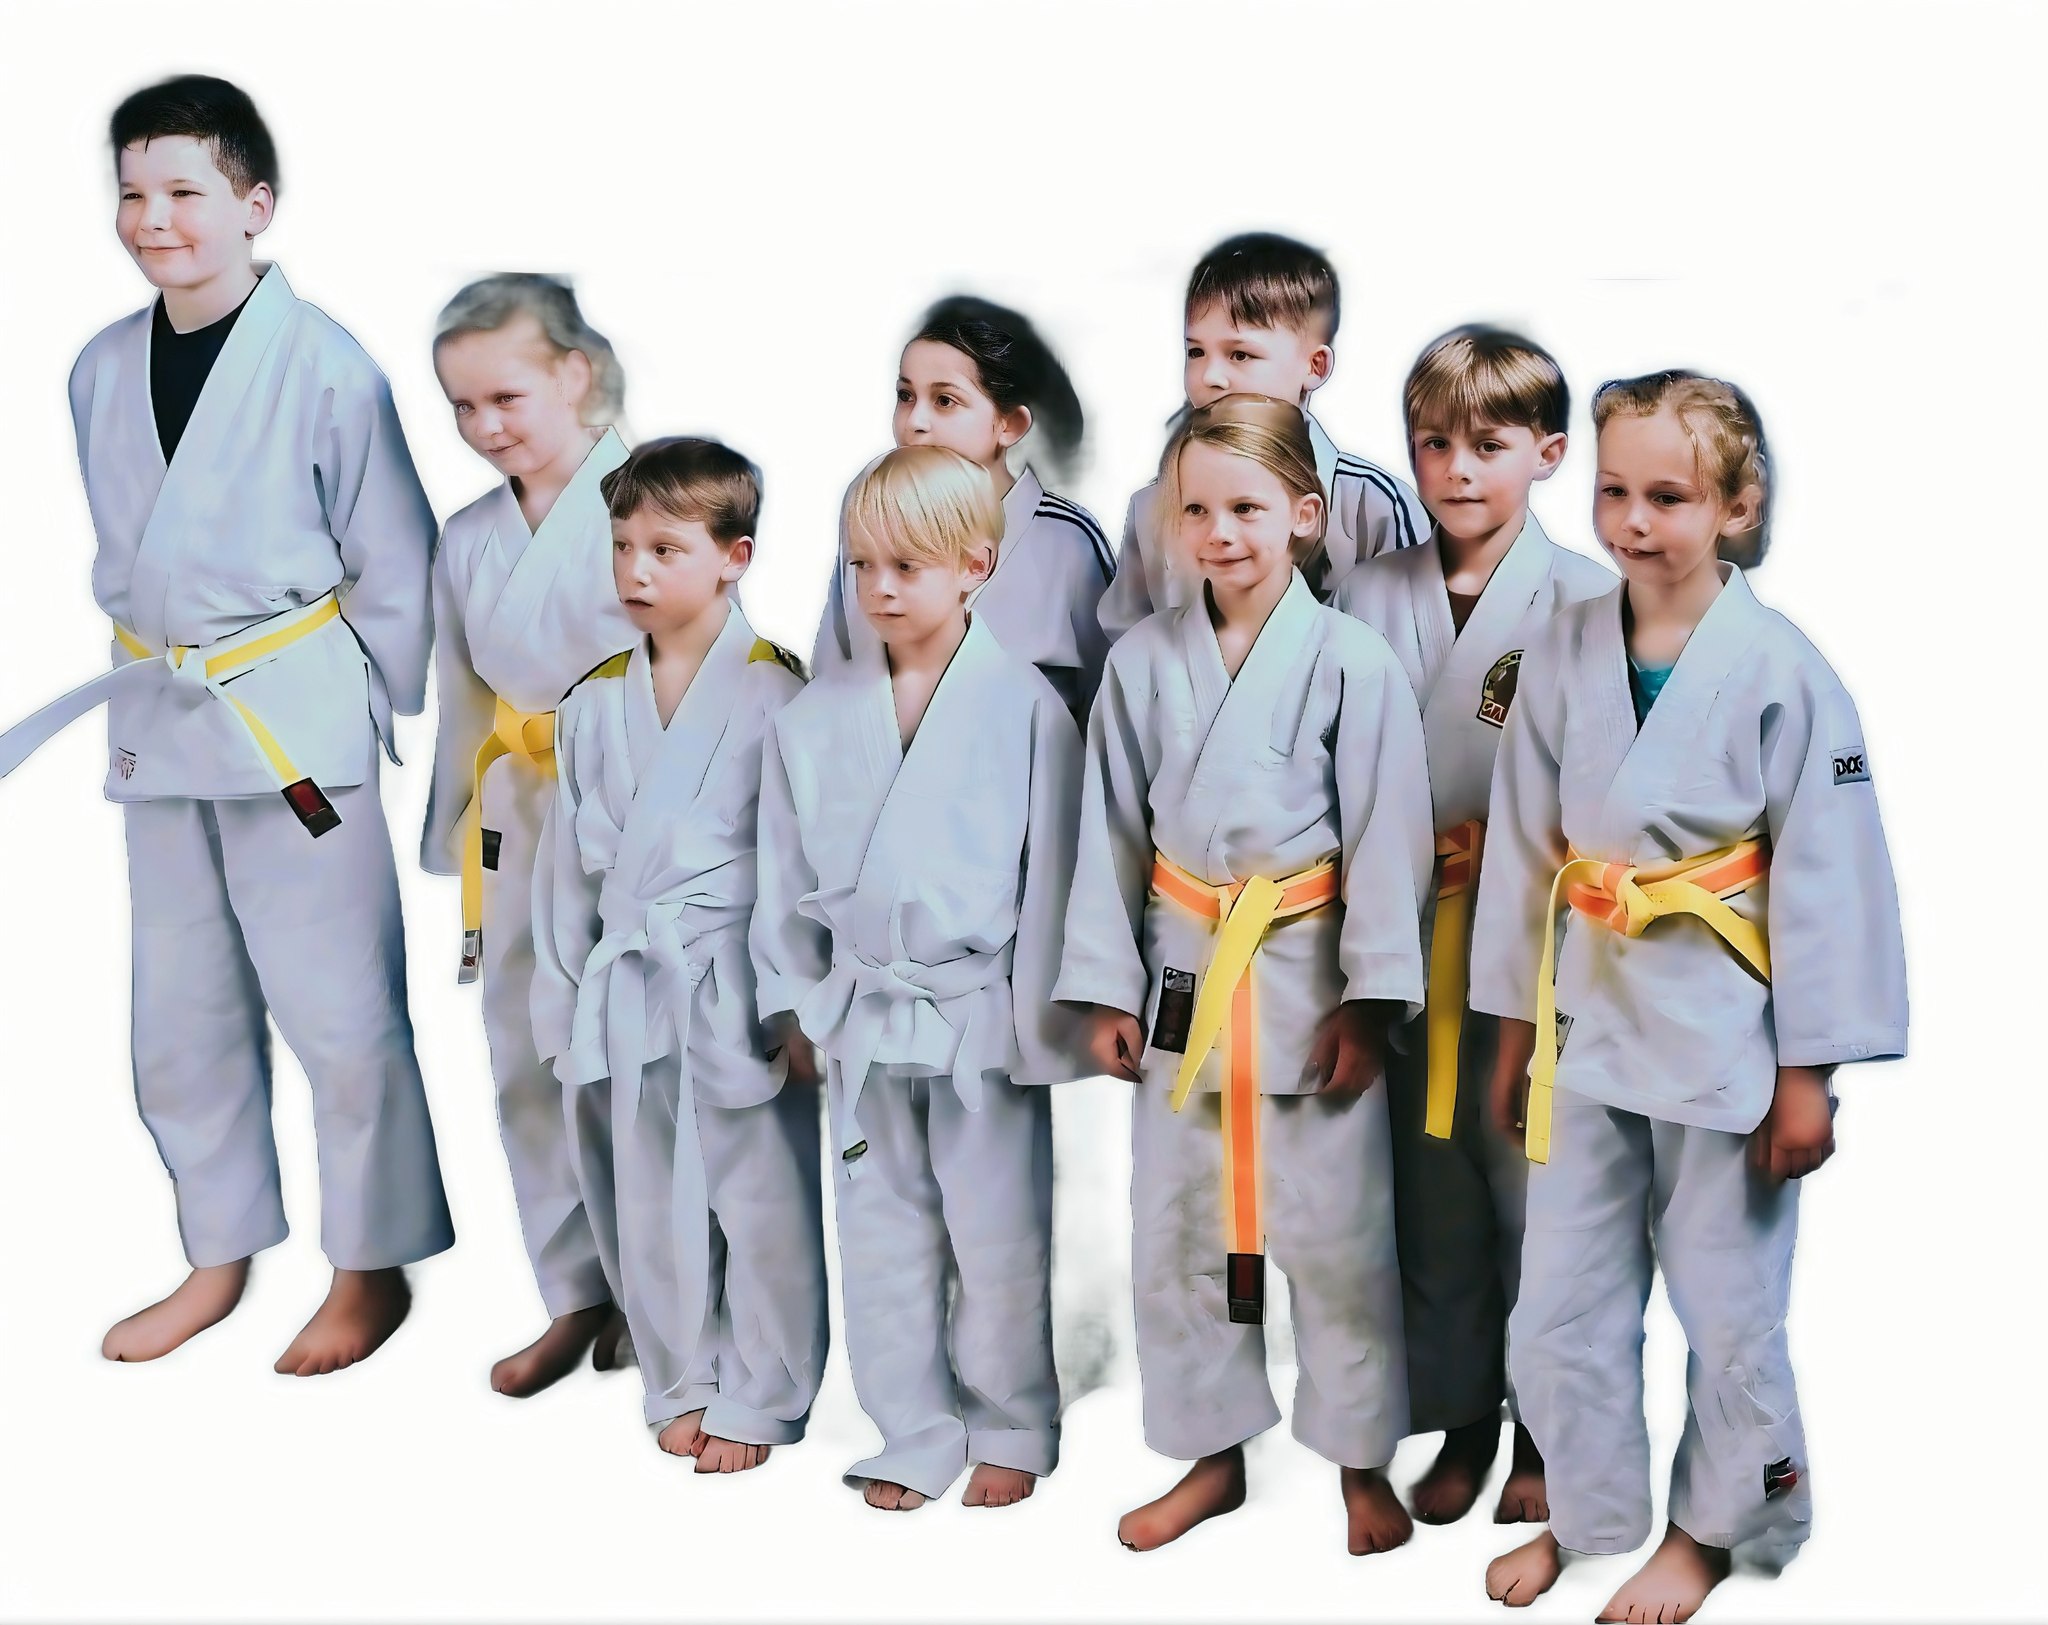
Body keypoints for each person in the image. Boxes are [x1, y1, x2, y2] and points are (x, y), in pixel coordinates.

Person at [0, 74, 452, 1373]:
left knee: (341, 1010)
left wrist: (367, 706)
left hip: (289, 723)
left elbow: (395, 560)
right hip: (158, 716)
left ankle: (369, 1267)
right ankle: (217, 1252)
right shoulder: (98, 366)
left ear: (256, 203)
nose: (155, 218)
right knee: (180, 1010)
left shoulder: (327, 365)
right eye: (133, 193)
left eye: (185, 191)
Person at [1471, 372, 1908, 1620]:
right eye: (1612, 489)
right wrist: (1509, 1034)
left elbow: (1827, 879)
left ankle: (1718, 1526)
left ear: (1734, 506)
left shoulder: (1781, 668)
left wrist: (1807, 1075)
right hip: (1583, 1019)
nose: (1631, 519)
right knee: (1558, 1299)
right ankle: (1587, 1507)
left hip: (1725, 1031)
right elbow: (1523, 851)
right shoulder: (1561, 646)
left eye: (1667, 496)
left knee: (1725, 1303)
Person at [1057, 394, 1434, 1554]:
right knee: (1179, 1233)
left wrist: (1370, 1001)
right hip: (1182, 971)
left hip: (1307, 980)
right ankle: (1209, 1453)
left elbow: (1387, 838)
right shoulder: (1141, 663)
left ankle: (1359, 1459)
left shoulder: (1352, 662)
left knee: (1337, 1239)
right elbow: (1107, 828)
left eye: (1246, 508)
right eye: (1196, 511)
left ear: (1304, 516)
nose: (1218, 533)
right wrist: (1105, 985)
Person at [753, 445, 1089, 1512]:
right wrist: (797, 1002)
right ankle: (912, 1426)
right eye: (861, 565)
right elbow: (781, 878)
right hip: (860, 1010)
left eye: (906, 566)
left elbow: (1056, 876)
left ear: (974, 567)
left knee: (996, 1231)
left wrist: (1045, 1022)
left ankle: (1011, 1418)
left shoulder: (1025, 707)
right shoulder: (810, 720)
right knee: (880, 1229)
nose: (880, 588)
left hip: (978, 1012)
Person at [532, 436, 827, 1469]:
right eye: (622, 546)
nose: (636, 570)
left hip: (733, 973)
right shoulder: (590, 702)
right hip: (630, 971)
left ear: (734, 557)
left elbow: (797, 863)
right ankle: (680, 1374)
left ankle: (768, 1387)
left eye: (664, 548)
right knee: (646, 1189)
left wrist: (795, 1000)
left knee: (758, 1192)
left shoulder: (780, 691)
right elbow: (563, 874)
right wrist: (561, 995)